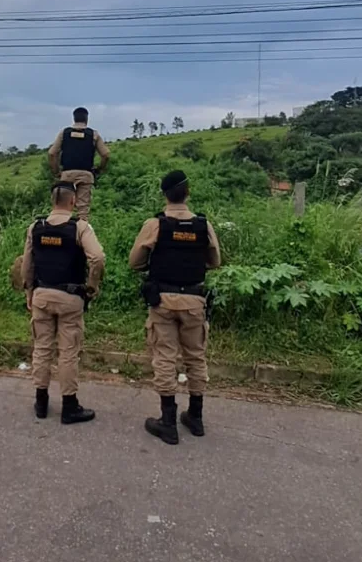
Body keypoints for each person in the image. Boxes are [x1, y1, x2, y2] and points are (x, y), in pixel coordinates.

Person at [128, 170, 222, 445]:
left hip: (163, 301)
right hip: (194, 301)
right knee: (196, 357)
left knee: (165, 358)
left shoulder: (155, 224)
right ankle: (196, 417)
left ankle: (168, 422)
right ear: (187, 193)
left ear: (165, 195)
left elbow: (135, 262)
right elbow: (215, 261)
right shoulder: (203, 225)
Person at [20, 181, 106, 424]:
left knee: (42, 348)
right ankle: (69, 406)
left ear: (52, 201)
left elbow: (27, 265)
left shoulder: (36, 227)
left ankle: (41, 403)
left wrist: (29, 292)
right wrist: (91, 286)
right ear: (73, 201)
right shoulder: (80, 227)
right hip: (70, 298)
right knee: (68, 352)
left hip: (42, 296)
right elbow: (98, 258)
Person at [47, 107, 110, 222]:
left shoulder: (64, 133)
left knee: (63, 206)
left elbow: (52, 153)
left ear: (74, 118)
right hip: (86, 174)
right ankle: (82, 231)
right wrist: (99, 169)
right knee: (83, 209)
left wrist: (56, 172)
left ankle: (61, 228)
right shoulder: (93, 134)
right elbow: (105, 154)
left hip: (67, 173)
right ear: (87, 119)